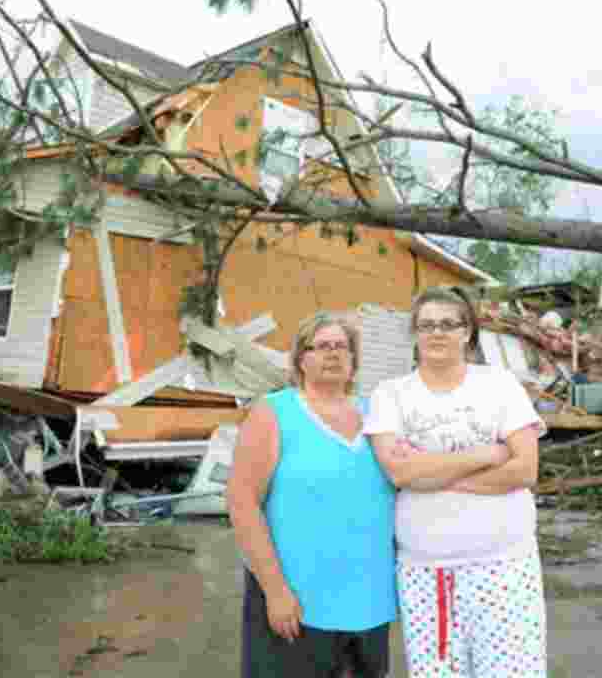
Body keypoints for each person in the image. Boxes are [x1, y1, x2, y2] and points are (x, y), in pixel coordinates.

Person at [363, 286, 548, 678]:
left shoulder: (499, 386)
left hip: (505, 567)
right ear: (414, 333)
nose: (437, 333)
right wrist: (487, 455)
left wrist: (434, 474)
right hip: (427, 573)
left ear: (467, 332)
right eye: (427, 324)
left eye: (448, 324)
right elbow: (401, 473)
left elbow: (525, 470)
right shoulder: (390, 395)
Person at [227, 311, 399, 678]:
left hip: (368, 604)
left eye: (342, 347)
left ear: (354, 362)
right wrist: (274, 590)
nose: (333, 353)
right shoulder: (274, 412)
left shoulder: (379, 416)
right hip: (297, 605)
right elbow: (243, 503)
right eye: (321, 346)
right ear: (301, 360)